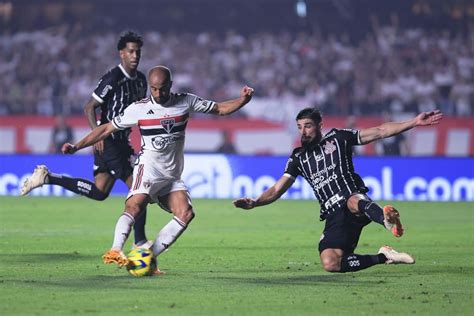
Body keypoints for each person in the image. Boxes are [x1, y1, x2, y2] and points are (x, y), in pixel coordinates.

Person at [61, 65, 254, 273]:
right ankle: (115, 250)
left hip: (172, 175)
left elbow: (219, 109)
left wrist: (242, 100)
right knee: (135, 206)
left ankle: (147, 258)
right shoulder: (139, 108)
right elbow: (106, 128)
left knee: (186, 213)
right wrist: (77, 146)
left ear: (170, 85)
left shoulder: (185, 101)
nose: (158, 93)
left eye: (162, 89)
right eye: (153, 89)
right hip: (149, 169)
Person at [234, 108, 443, 273]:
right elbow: (277, 188)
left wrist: (414, 122)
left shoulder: (339, 138)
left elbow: (379, 131)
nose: (303, 131)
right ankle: (385, 256)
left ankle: (386, 219)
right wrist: (255, 202)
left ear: (319, 125)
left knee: (352, 200)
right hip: (333, 215)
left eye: (308, 126)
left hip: (355, 201)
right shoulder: (298, 158)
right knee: (331, 263)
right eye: (300, 127)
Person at [21, 31, 150, 247]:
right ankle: (140, 242)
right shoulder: (113, 78)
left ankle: (48, 178)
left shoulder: (141, 81)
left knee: (99, 192)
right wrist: (96, 133)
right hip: (109, 142)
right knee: (139, 189)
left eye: (138, 51)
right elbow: (89, 106)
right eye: (130, 51)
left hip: (121, 142)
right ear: (121, 54)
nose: (135, 55)